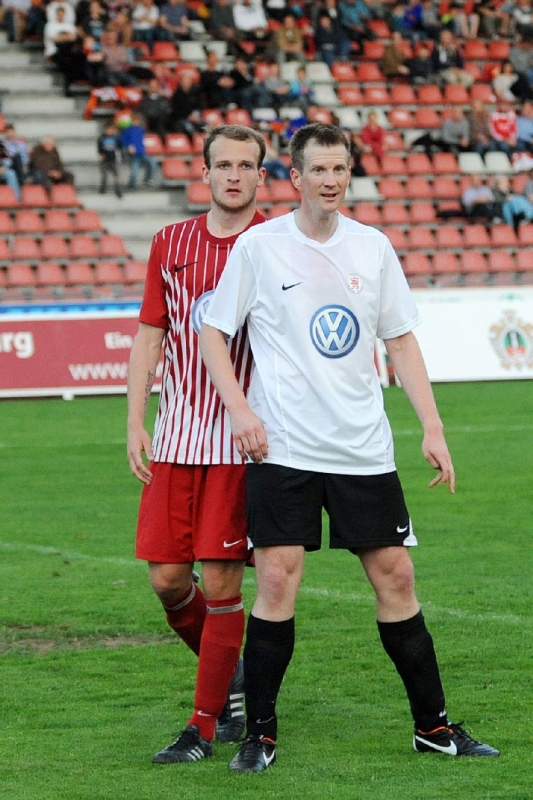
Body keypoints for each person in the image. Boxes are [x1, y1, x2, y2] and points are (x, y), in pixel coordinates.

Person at [199, 122, 500, 773]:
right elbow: (213, 332)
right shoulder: (259, 247)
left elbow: (401, 341)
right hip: (283, 449)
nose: (331, 180)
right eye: (319, 170)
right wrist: (241, 409)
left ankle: (433, 727)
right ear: (295, 177)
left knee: (396, 576)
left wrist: (432, 427)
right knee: (276, 578)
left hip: (363, 449)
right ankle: (260, 735)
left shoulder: (373, 246)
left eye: (340, 169)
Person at [127, 124, 267, 764]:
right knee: (166, 580)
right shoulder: (170, 242)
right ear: (204, 173)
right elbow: (149, 335)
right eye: (223, 165)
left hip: (240, 444)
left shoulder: (274, 244)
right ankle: (229, 668)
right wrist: (135, 421)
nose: (234, 176)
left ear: (261, 175)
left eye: (246, 166)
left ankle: (202, 727)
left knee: (220, 582)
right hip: (177, 436)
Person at [119, 112, 157, 189]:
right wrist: (129, 146)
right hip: (133, 155)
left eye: (137, 121)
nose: (136, 122)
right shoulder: (128, 130)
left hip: (142, 153)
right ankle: (131, 185)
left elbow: (141, 140)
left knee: (153, 163)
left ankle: (147, 179)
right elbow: (122, 140)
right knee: (134, 172)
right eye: (134, 120)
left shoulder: (140, 129)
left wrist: (143, 148)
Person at [97, 120, 123, 197]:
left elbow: (120, 146)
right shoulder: (101, 138)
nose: (110, 131)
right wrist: (101, 154)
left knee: (117, 175)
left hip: (113, 159)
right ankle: (102, 189)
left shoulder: (115, 138)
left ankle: (118, 189)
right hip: (105, 160)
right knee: (104, 175)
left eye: (112, 129)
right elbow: (99, 148)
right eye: (108, 129)